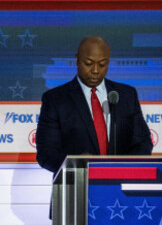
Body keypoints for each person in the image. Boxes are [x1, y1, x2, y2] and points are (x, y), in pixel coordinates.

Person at [36, 36, 152, 174]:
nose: (96, 70)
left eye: (102, 64)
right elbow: (46, 154)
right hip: (75, 187)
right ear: (77, 60)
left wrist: (122, 169)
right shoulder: (56, 99)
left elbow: (143, 143)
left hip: (119, 188)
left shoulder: (126, 95)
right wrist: (77, 164)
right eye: (89, 63)